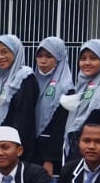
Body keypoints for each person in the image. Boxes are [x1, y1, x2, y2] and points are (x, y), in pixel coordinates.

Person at [60, 39, 100, 169]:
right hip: (75, 150)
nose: (87, 63)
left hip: (91, 157)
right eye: (83, 58)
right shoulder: (82, 86)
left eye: (93, 58)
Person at [28, 37, 74, 175]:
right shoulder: (32, 83)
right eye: (39, 56)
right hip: (31, 151)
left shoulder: (66, 89)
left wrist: (50, 160)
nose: (43, 61)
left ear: (59, 59)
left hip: (50, 156)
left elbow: (60, 127)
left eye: (49, 56)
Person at [0, 34, 36, 143]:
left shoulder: (25, 77)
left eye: (5, 52)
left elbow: (24, 117)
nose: (0, 57)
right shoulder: (2, 79)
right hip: (1, 141)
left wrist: (16, 145)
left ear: (15, 52)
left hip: (16, 143)